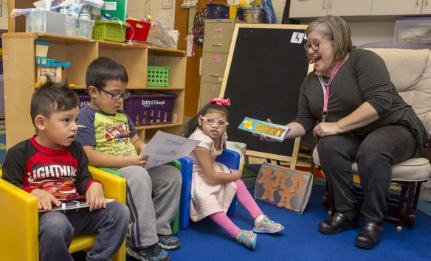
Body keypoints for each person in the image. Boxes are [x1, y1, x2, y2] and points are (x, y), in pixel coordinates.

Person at [267, 15, 428, 249]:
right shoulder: (310, 82)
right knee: (329, 146)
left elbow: (380, 102)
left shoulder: (363, 60)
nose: (310, 50)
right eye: (307, 45)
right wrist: (278, 132)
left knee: (372, 150)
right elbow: (304, 121)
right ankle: (347, 211)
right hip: (357, 134)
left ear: (337, 42)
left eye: (316, 44)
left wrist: (337, 126)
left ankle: (373, 221)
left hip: (395, 126)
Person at [1, 82, 130, 261]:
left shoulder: (76, 149)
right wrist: (33, 192)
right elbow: (8, 191)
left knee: (120, 212)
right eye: (66, 120)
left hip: (77, 212)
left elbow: (84, 177)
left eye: (75, 120)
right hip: (45, 219)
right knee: (56, 224)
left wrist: (93, 185)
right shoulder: (19, 153)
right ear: (41, 122)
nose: (74, 127)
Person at [76, 57, 182, 261]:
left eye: (123, 94)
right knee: (139, 176)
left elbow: (134, 139)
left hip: (132, 166)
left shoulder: (121, 114)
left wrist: (146, 148)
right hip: (107, 172)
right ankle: (140, 242)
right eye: (114, 94)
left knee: (172, 175)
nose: (120, 100)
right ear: (93, 92)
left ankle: (159, 228)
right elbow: (88, 155)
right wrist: (127, 162)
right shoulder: (86, 116)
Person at [183, 98, 284, 250]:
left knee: (236, 184)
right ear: (200, 120)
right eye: (210, 121)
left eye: (221, 123)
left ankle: (259, 219)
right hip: (195, 173)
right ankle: (237, 233)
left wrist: (234, 178)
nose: (215, 126)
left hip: (212, 167)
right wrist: (235, 175)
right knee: (206, 197)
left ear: (226, 125)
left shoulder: (220, 135)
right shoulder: (200, 140)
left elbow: (218, 158)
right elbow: (210, 176)